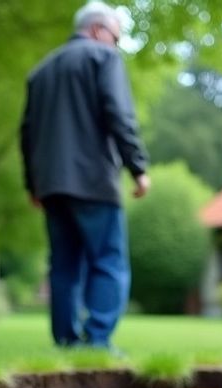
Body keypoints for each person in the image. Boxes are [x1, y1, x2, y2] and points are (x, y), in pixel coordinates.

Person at [20, 1, 150, 350]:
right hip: (93, 181)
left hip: (51, 186)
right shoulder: (103, 58)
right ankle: (97, 341)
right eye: (116, 37)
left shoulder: (40, 71)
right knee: (108, 261)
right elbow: (119, 114)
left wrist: (33, 184)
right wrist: (137, 166)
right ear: (97, 30)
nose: (116, 45)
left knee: (63, 265)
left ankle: (65, 342)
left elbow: (27, 133)